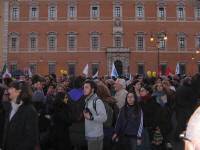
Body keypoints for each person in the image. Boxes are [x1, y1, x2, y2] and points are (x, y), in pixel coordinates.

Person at [2, 81, 39, 150]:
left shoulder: (30, 110)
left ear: (18, 91)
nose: (7, 91)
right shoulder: (10, 107)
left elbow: (31, 139)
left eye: (11, 88)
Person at [83, 80, 107, 150]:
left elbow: (104, 117)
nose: (84, 89)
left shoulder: (97, 101)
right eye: (84, 87)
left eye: (86, 87)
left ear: (92, 89)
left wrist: (91, 117)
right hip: (90, 134)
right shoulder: (87, 100)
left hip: (95, 136)